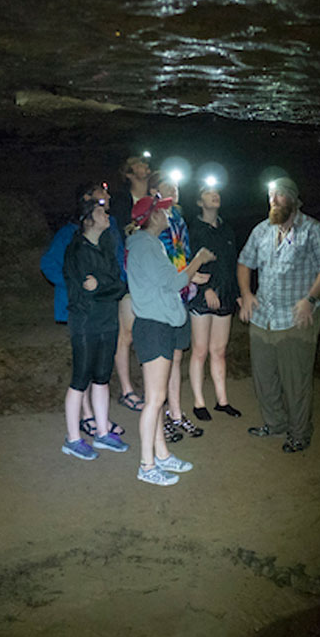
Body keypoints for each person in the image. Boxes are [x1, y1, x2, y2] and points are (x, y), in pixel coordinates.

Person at [237, 177, 320, 453]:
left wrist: (310, 299)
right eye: (271, 195)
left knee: (296, 381)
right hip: (263, 318)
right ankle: (275, 423)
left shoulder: (313, 230)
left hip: (295, 319)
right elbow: (244, 262)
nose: (274, 200)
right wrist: (247, 294)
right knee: (264, 377)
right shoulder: (262, 230)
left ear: (293, 199)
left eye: (280, 195)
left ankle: (299, 432)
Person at [126, 194, 215, 486]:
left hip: (158, 324)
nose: (167, 216)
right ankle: (146, 465)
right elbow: (174, 282)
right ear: (152, 217)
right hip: (154, 327)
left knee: (158, 398)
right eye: (162, 212)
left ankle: (162, 455)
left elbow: (165, 281)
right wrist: (197, 260)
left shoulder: (147, 246)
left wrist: (189, 275)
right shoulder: (145, 245)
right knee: (153, 400)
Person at [41, 181, 125, 438]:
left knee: (98, 368)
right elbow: (50, 264)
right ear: (86, 201)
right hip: (81, 308)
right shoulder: (71, 234)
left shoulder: (110, 232)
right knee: (84, 367)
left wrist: (110, 286)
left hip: (104, 306)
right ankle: (87, 417)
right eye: (100, 199)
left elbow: (118, 271)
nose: (107, 199)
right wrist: (75, 288)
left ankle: (96, 421)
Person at [61, 187, 129, 460]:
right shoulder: (76, 250)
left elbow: (119, 286)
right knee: (80, 380)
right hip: (86, 324)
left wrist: (101, 285)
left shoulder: (107, 246)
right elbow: (84, 291)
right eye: (101, 212)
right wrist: (104, 286)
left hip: (107, 321)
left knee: (102, 378)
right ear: (87, 219)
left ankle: (102, 433)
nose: (107, 216)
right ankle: (72, 439)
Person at [146, 173, 205, 441]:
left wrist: (191, 275)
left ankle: (176, 413)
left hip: (181, 294)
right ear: (155, 190)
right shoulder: (151, 220)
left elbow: (185, 252)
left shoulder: (179, 218)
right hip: (162, 298)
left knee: (178, 356)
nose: (175, 189)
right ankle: (160, 418)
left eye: (177, 185)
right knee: (163, 360)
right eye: (168, 185)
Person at [187, 181, 241, 421]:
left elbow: (232, 264)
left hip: (226, 295)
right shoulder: (194, 229)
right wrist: (206, 289)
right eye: (208, 193)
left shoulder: (227, 230)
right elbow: (189, 262)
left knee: (218, 350)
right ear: (200, 202)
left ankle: (222, 401)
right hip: (201, 297)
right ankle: (199, 402)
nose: (214, 196)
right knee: (199, 350)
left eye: (217, 192)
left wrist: (239, 292)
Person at [111, 155, 154, 414]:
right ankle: (127, 390)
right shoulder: (120, 202)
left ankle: (152, 387)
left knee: (148, 331)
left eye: (146, 164)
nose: (145, 167)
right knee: (125, 335)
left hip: (152, 276)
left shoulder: (156, 200)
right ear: (128, 173)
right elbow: (116, 237)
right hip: (128, 275)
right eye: (139, 164)